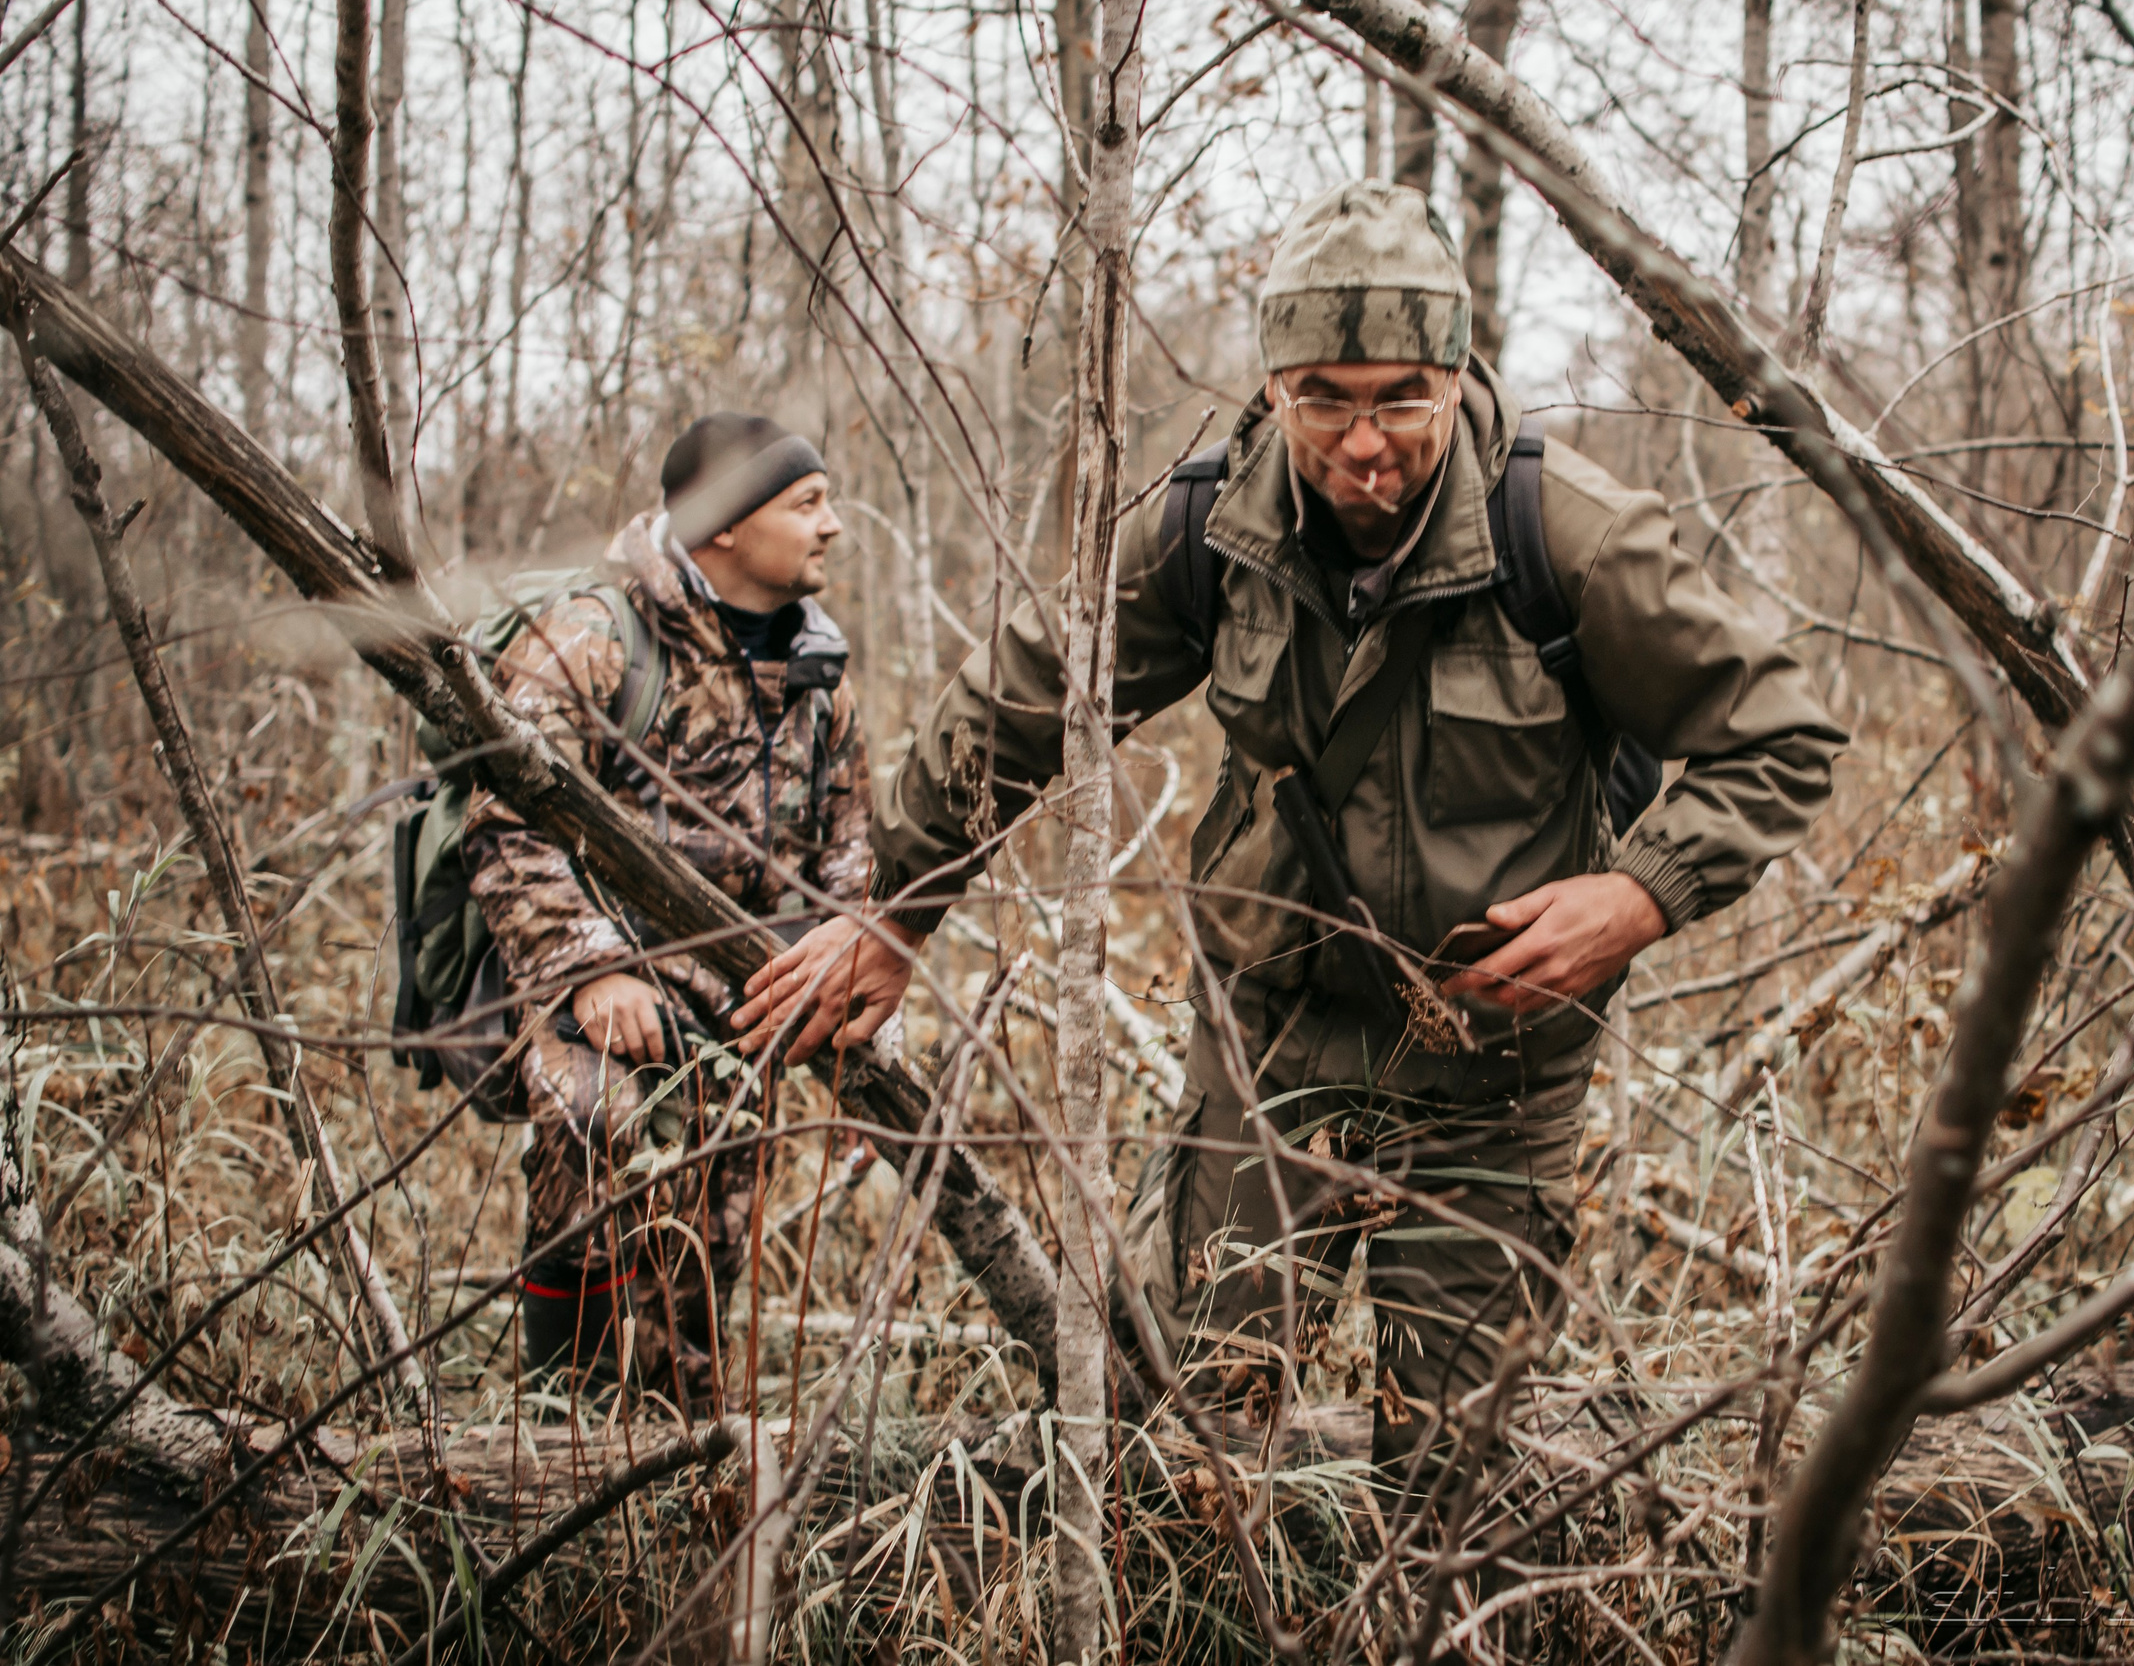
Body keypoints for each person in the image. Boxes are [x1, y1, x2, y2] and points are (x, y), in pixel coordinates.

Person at [793, 180, 1846, 1501]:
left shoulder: (1565, 533)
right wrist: (899, 910)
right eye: (1321, 397)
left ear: (1459, 375)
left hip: (1491, 1062)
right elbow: (1025, 699)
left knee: (1450, 1475)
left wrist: (1637, 894)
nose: (1362, 442)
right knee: (1197, 1438)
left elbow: (1784, 733)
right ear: (1275, 387)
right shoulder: (1202, 526)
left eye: (1401, 394)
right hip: (1270, 1035)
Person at [466, 412, 875, 1409]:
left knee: (702, 1259)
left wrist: (860, 1016)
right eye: (807, 503)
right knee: (587, 1136)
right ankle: (558, 1434)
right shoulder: (596, 639)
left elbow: (850, 855)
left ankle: (671, 1464)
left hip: (743, 1014)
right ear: (724, 525)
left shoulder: (818, 672)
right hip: (600, 992)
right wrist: (590, 969)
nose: (832, 526)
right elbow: (505, 820)